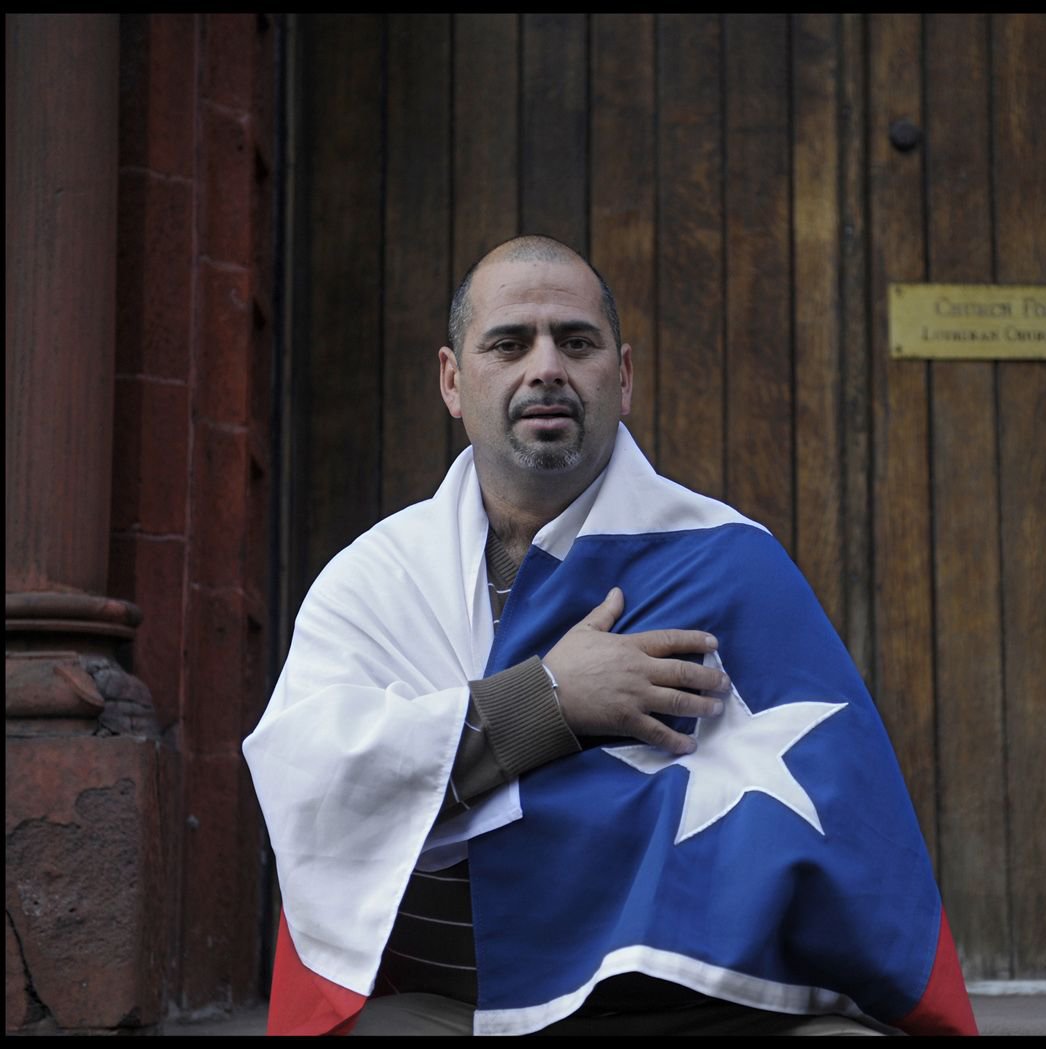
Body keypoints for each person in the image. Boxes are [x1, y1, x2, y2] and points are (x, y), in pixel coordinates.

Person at [243, 237, 977, 1036]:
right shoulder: (378, 580)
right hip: (462, 1010)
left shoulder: (729, 561)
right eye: (509, 344)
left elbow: (835, 802)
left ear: (622, 378)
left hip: (696, 1008)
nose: (546, 368)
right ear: (453, 381)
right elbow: (313, 776)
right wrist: (548, 700)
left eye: (576, 342)